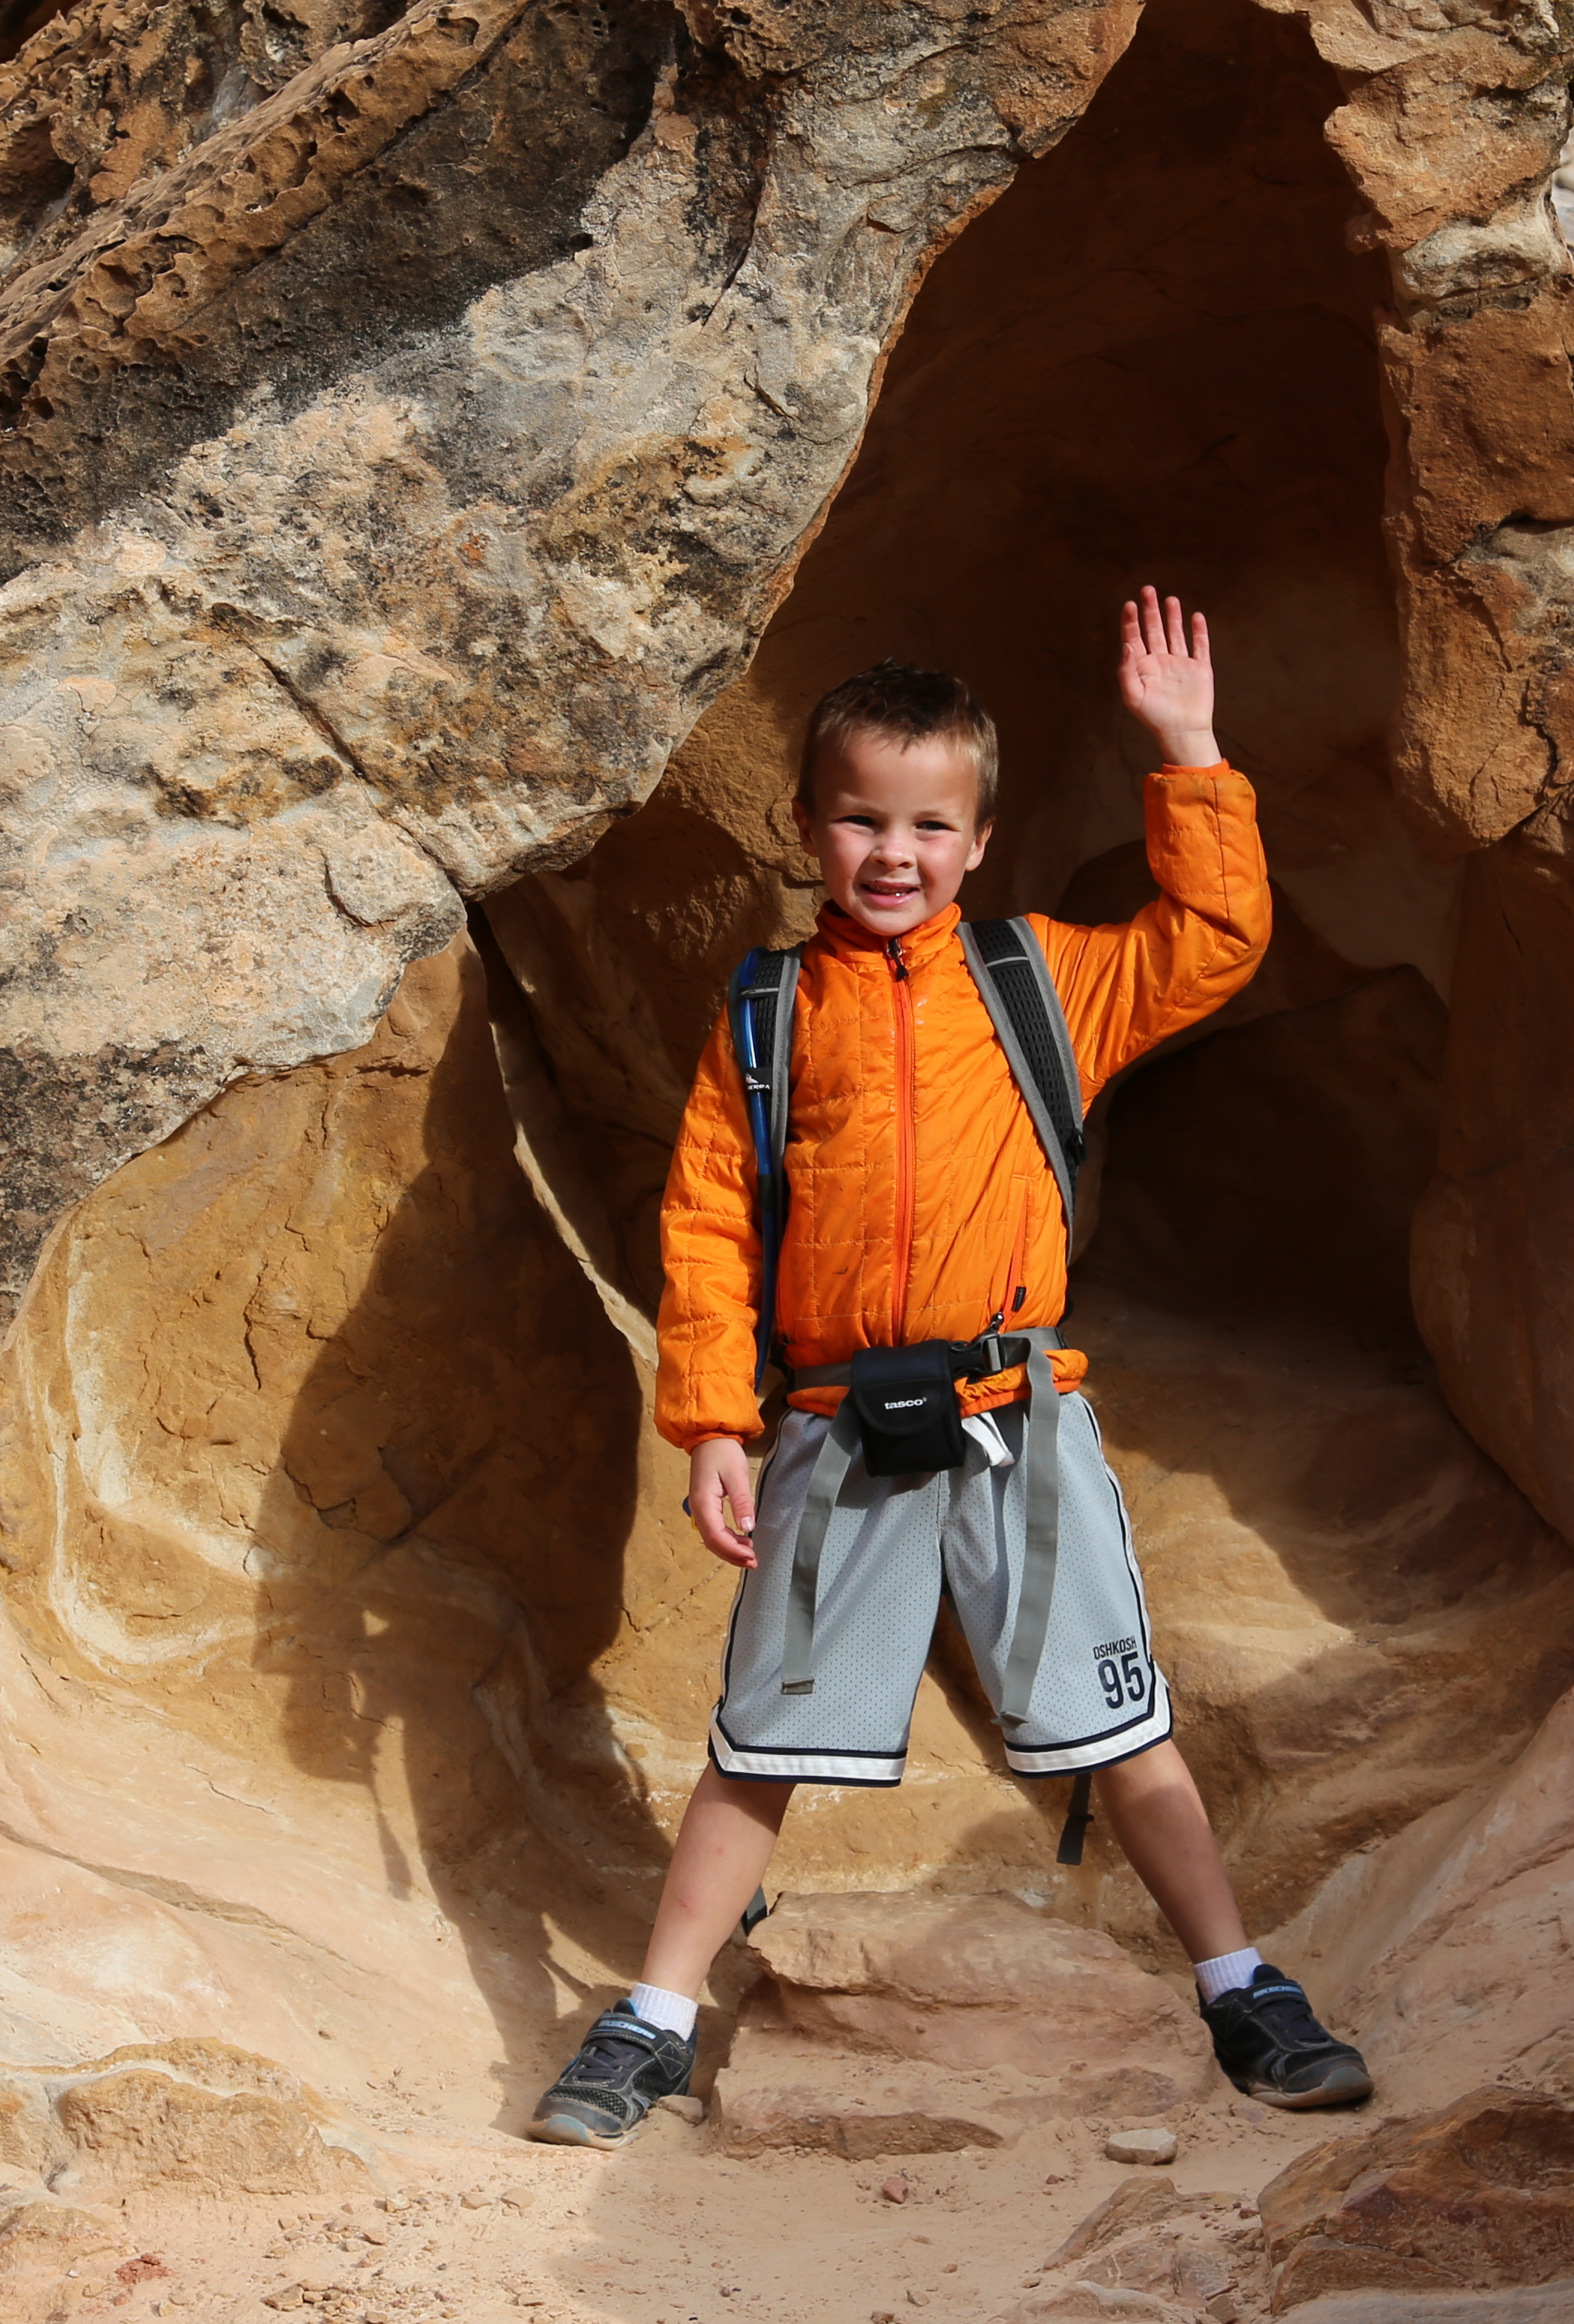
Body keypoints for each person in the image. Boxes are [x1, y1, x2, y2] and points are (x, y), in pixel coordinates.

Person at [523, 590, 1375, 2148]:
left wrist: (1187, 747)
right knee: (761, 1734)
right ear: (806, 827)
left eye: (930, 825)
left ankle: (1242, 1983)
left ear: (980, 839)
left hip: (1017, 1412)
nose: (895, 855)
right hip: (838, 1424)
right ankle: (651, 2019)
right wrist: (715, 1420)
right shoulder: (771, 1014)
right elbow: (708, 1217)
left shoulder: (1044, 976)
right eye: (862, 821)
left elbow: (1216, 939)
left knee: (1122, 1722)